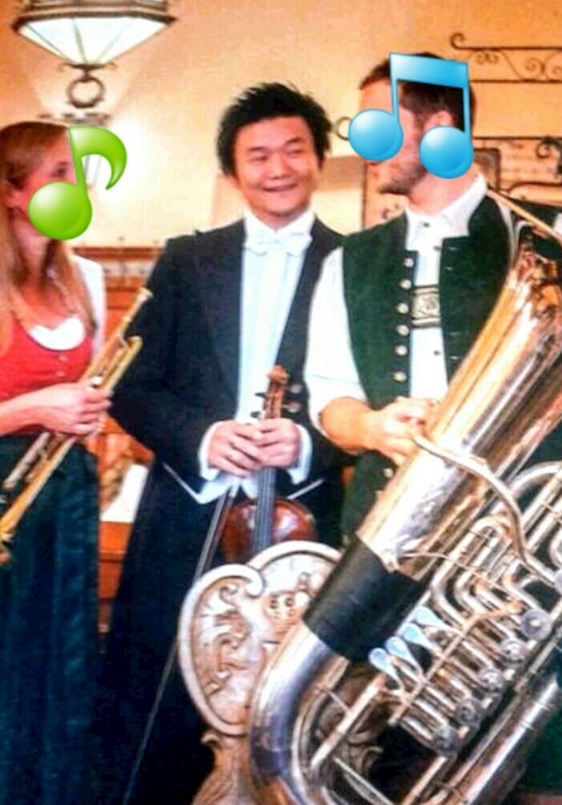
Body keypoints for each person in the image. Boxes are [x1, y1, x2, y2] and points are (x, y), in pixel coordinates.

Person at [305, 55, 562, 805]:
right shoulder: (349, 261)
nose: (362, 140)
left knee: (543, 761)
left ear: (440, 125)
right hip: (390, 546)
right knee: (386, 756)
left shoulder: (551, 235)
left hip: (524, 549)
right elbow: (329, 400)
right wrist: (371, 426)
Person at [97, 82, 346, 805]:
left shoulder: (355, 260)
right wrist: (203, 437)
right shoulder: (186, 258)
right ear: (232, 173)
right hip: (185, 513)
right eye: (257, 155)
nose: (277, 169)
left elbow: (373, 398)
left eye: (293, 150)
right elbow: (132, 386)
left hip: (303, 522)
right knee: (159, 700)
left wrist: (306, 443)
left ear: (318, 159)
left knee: (291, 701)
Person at [0, 121, 109, 805]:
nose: (76, 187)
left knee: (60, 660)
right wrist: (35, 408)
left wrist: (86, 415)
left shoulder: (84, 280)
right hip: (5, 494)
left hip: (65, 496)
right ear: (13, 194)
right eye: (58, 174)